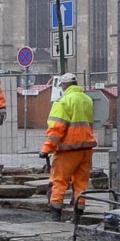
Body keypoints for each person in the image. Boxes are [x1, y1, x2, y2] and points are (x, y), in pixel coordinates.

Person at [41, 72, 96, 221]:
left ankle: (55, 216)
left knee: (59, 181)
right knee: (81, 182)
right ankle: (78, 216)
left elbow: (56, 129)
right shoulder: (87, 100)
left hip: (68, 149)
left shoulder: (63, 101)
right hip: (86, 148)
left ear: (64, 85)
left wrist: (46, 149)